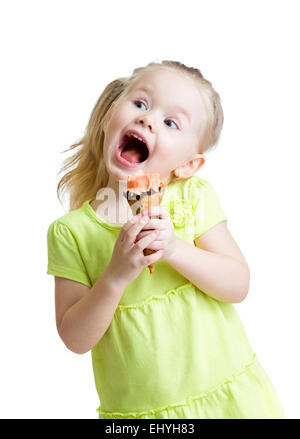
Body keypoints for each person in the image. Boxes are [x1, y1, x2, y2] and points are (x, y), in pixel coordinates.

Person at [46, 60, 285, 419]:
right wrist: (115, 276)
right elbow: (75, 339)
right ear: (111, 114)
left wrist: (174, 249)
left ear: (188, 165)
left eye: (171, 123)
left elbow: (238, 284)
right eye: (141, 104)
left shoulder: (193, 198)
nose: (148, 119)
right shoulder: (72, 232)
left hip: (229, 401)